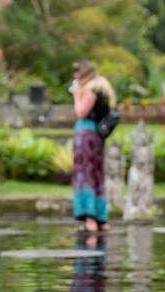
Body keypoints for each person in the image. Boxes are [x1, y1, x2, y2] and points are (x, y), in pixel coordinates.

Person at [70, 61, 115, 233]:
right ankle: (100, 218)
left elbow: (81, 112)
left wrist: (76, 95)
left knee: (85, 172)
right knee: (96, 173)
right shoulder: (103, 89)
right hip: (96, 135)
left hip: (86, 135)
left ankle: (90, 218)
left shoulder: (91, 90)